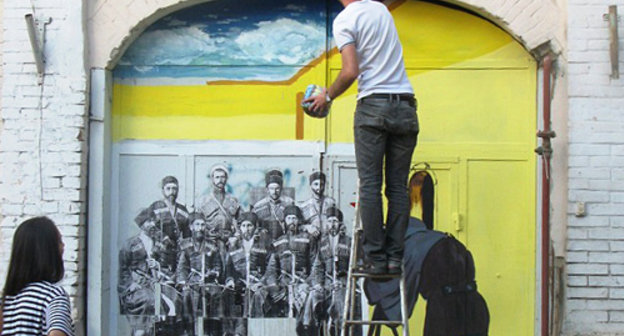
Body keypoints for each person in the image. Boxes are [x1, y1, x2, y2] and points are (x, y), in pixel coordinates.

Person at [303, 0, 419, 275]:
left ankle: (376, 260)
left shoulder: (346, 20)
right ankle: (394, 258)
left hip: (373, 107)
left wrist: (326, 95)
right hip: (405, 107)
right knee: (397, 189)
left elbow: (350, 71)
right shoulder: (380, 10)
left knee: (370, 186)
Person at [0, 216, 74, 336]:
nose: (63, 246)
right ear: (48, 250)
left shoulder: (5, 300)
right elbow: (57, 332)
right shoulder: (53, 296)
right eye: (59, 241)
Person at [266, 205, 322, 334]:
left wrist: (313, 282)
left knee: (308, 297)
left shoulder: (309, 239)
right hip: (283, 284)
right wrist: (274, 286)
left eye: (294, 218)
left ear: (299, 221)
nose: (292, 221)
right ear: (284, 221)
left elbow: (316, 264)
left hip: (302, 282)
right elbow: (272, 269)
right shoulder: (278, 242)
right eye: (289, 218)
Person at [223, 212, 273, 335]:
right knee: (225, 295)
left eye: (249, 225)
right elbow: (229, 268)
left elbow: (271, 267)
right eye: (244, 226)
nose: (246, 229)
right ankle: (229, 331)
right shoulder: (234, 246)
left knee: (251, 294)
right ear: (240, 228)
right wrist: (230, 280)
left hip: (258, 283)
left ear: (255, 227)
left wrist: (262, 282)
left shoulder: (264, 244)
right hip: (239, 283)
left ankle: (245, 332)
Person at [177, 213, 223, 336]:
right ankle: (189, 330)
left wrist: (213, 273)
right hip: (191, 281)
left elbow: (218, 266)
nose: (200, 228)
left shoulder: (212, 245)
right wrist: (182, 282)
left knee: (215, 294)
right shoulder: (184, 245)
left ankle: (211, 330)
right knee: (186, 296)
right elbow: (182, 267)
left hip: (209, 281)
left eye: (203, 225)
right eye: (197, 224)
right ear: (191, 227)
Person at [147, 175, 190, 282]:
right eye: (168, 188)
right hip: (159, 251)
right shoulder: (156, 207)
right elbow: (144, 223)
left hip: (177, 252)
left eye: (174, 189)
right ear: (163, 190)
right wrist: (161, 236)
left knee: (176, 280)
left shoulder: (182, 210)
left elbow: (187, 234)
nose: (172, 192)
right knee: (159, 281)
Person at [197, 164, 241, 245]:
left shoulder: (233, 201)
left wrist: (236, 237)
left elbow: (240, 223)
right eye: (217, 177)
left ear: (226, 179)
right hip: (210, 242)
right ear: (212, 179)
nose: (220, 180)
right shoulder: (203, 201)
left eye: (223, 177)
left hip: (229, 242)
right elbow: (197, 224)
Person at [253, 169, 294, 241]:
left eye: (277, 189)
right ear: (267, 189)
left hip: (284, 239)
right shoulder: (258, 206)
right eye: (271, 189)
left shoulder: (289, 203)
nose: (274, 192)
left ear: (281, 188)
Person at [298, 171, 335, 236]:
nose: (318, 187)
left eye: (321, 184)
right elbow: (298, 226)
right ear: (310, 185)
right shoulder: (304, 206)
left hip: (327, 239)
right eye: (316, 184)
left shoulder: (331, 202)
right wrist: (307, 227)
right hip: (311, 239)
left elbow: (338, 221)